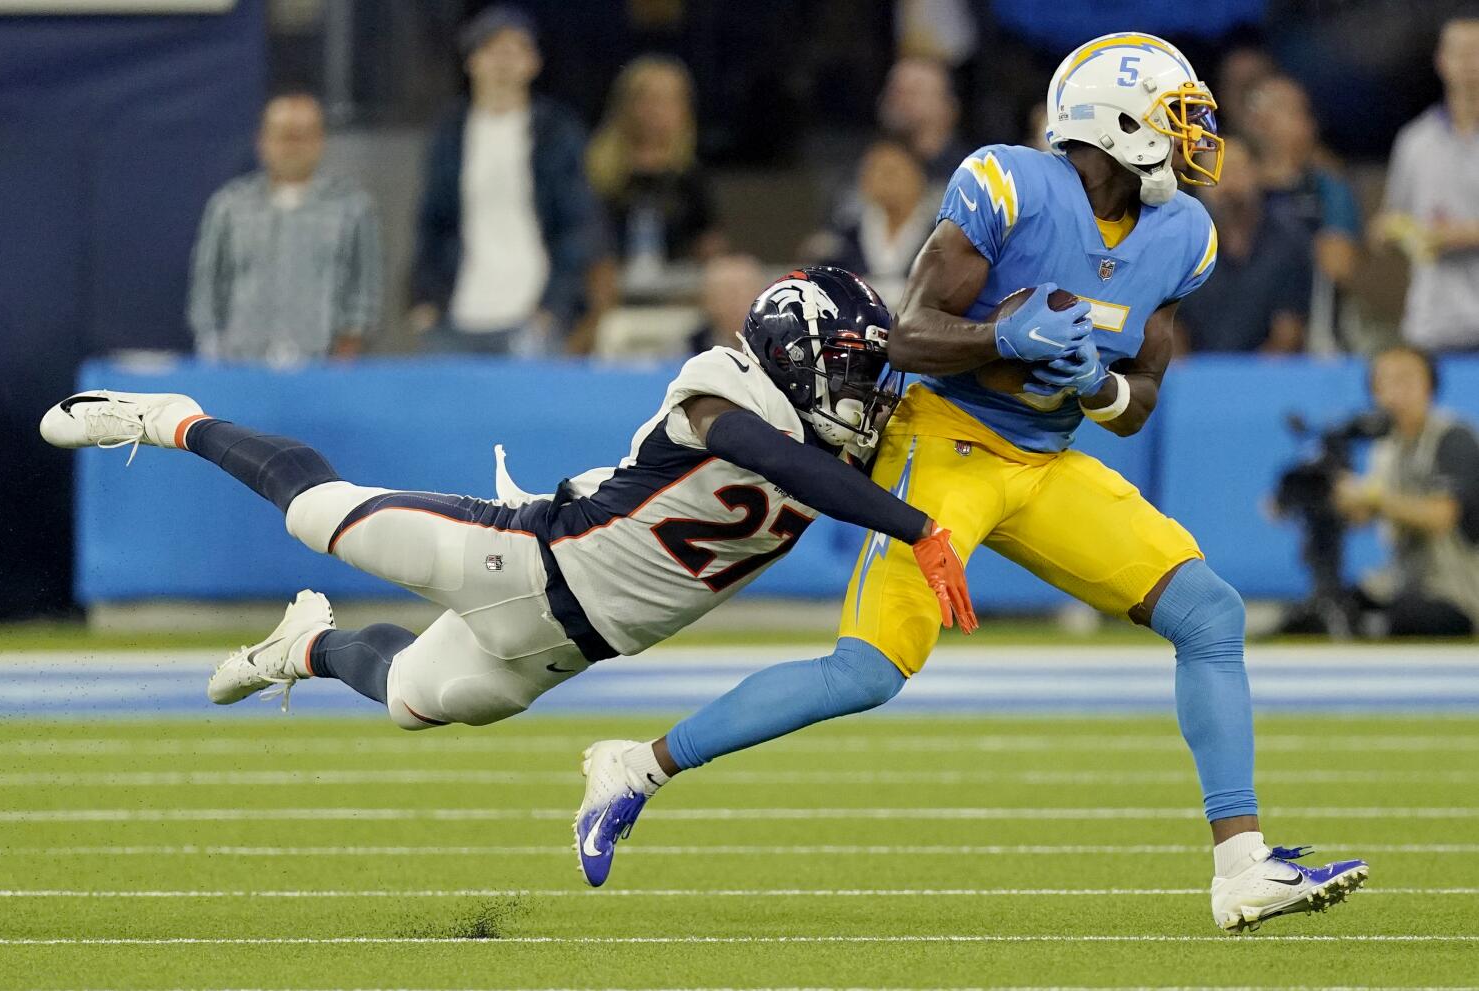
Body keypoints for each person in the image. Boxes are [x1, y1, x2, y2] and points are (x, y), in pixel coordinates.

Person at [574, 32, 1369, 933]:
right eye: (1176, 117)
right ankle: (634, 766)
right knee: (866, 672)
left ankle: (1242, 868)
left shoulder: (1184, 233)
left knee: (1209, 612)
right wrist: (1004, 337)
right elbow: (906, 335)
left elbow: (1142, 397)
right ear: (1114, 122)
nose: (1194, 139)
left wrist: (1096, 385)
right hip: (945, 443)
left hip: (1045, 460)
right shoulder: (1011, 186)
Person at [40, 265, 974, 735]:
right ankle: (168, 417)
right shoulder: (726, 388)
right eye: (852, 365)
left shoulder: (843, 440)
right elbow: (779, 463)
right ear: (794, 353)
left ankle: (303, 647)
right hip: (523, 556)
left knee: (409, 697)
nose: (867, 390)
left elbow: (920, 421)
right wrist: (916, 526)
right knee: (314, 511)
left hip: (569, 648)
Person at [409, 5, 601, 355]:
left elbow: (577, 224)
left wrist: (555, 306)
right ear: (471, 62)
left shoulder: (555, 131)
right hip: (456, 314)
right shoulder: (450, 132)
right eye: (492, 50)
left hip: (531, 315)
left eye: (516, 50)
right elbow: (431, 221)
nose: (503, 61)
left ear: (534, 63)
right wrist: (424, 299)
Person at [187, 93, 382, 364]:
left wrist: (347, 352)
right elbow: (208, 284)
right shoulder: (229, 205)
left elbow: (364, 289)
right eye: (283, 135)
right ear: (262, 141)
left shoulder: (352, 208)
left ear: (320, 141)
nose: (292, 146)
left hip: (321, 364)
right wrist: (212, 350)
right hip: (242, 364)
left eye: (302, 136)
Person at [1332, 346, 1479, 636]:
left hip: (1458, 587)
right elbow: (1362, 514)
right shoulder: (1386, 447)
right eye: (1385, 382)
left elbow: (1442, 516)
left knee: (1410, 616)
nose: (1395, 392)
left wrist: (1372, 498)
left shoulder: (1454, 438)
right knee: (1336, 606)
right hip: (1403, 580)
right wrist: (1329, 497)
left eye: (1406, 380)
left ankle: (1372, 628)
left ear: (1430, 386)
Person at [1371, 15, 1479, 353]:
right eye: (1461, 53)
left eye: (1478, 52)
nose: (1470, 63)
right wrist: (1393, 231)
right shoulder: (1415, 141)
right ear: (1441, 62)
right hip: (1433, 323)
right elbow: (1390, 221)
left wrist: (1464, 234)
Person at [1242, 74, 1362, 350]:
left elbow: (1340, 264)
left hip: (1312, 334)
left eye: (1300, 113)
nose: (1303, 122)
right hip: (1236, 329)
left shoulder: (1326, 186)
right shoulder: (1231, 185)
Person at [587, 56, 723, 274]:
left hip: (674, 288)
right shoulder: (595, 171)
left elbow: (707, 242)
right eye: (647, 99)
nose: (656, 111)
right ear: (625, 105)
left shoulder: (690, 177)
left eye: (668, 101)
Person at [1176, 137, 1311, 354]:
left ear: (1258, 173)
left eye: (1235, 171)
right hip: (1195, 374)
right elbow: (1172, 328)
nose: (1226, 185)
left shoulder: (1289, 242)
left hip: (1268, 376)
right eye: (1213, 174)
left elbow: (1288, 333)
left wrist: (1245, 383)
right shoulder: (1183, 245)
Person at [816, 140, 933, 304]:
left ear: (918, 176)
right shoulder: (845, 237)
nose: (879, 180)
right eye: (871, 171)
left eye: (890, 172)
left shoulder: (941, 234)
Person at [876, 57, 972, 186]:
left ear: (947, 108)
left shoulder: (971, 178)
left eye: (913, 92)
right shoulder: (872, 169)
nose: (898, 100)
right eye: (895, 91)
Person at [686, 254, 767, 353]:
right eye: (730, 294)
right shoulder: (688, 351)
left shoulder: (781, 347)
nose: (740, 302)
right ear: (708, 301)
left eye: (747, 292)